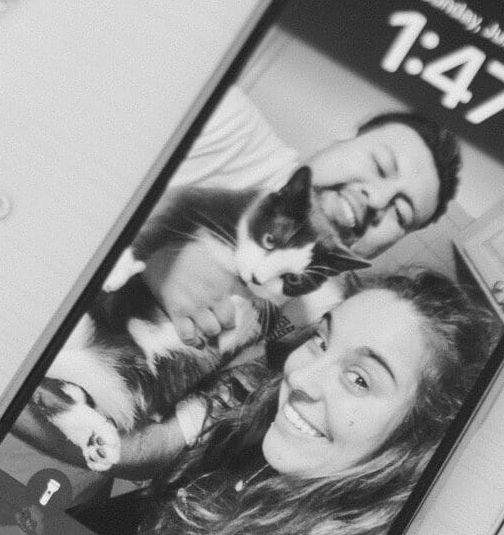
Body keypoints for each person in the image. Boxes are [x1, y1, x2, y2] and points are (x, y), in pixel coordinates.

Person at [78, 269, 497, 535]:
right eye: (322, 341)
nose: (300, 376)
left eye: (359, 379)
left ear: (412, 443)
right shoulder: (251, 423)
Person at [138, 90, 462, 355]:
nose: (376, 200)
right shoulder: (224, 121)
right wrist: (151, 252)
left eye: (400, 214)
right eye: (380, 164)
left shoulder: (317, 313)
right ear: (339, 141)